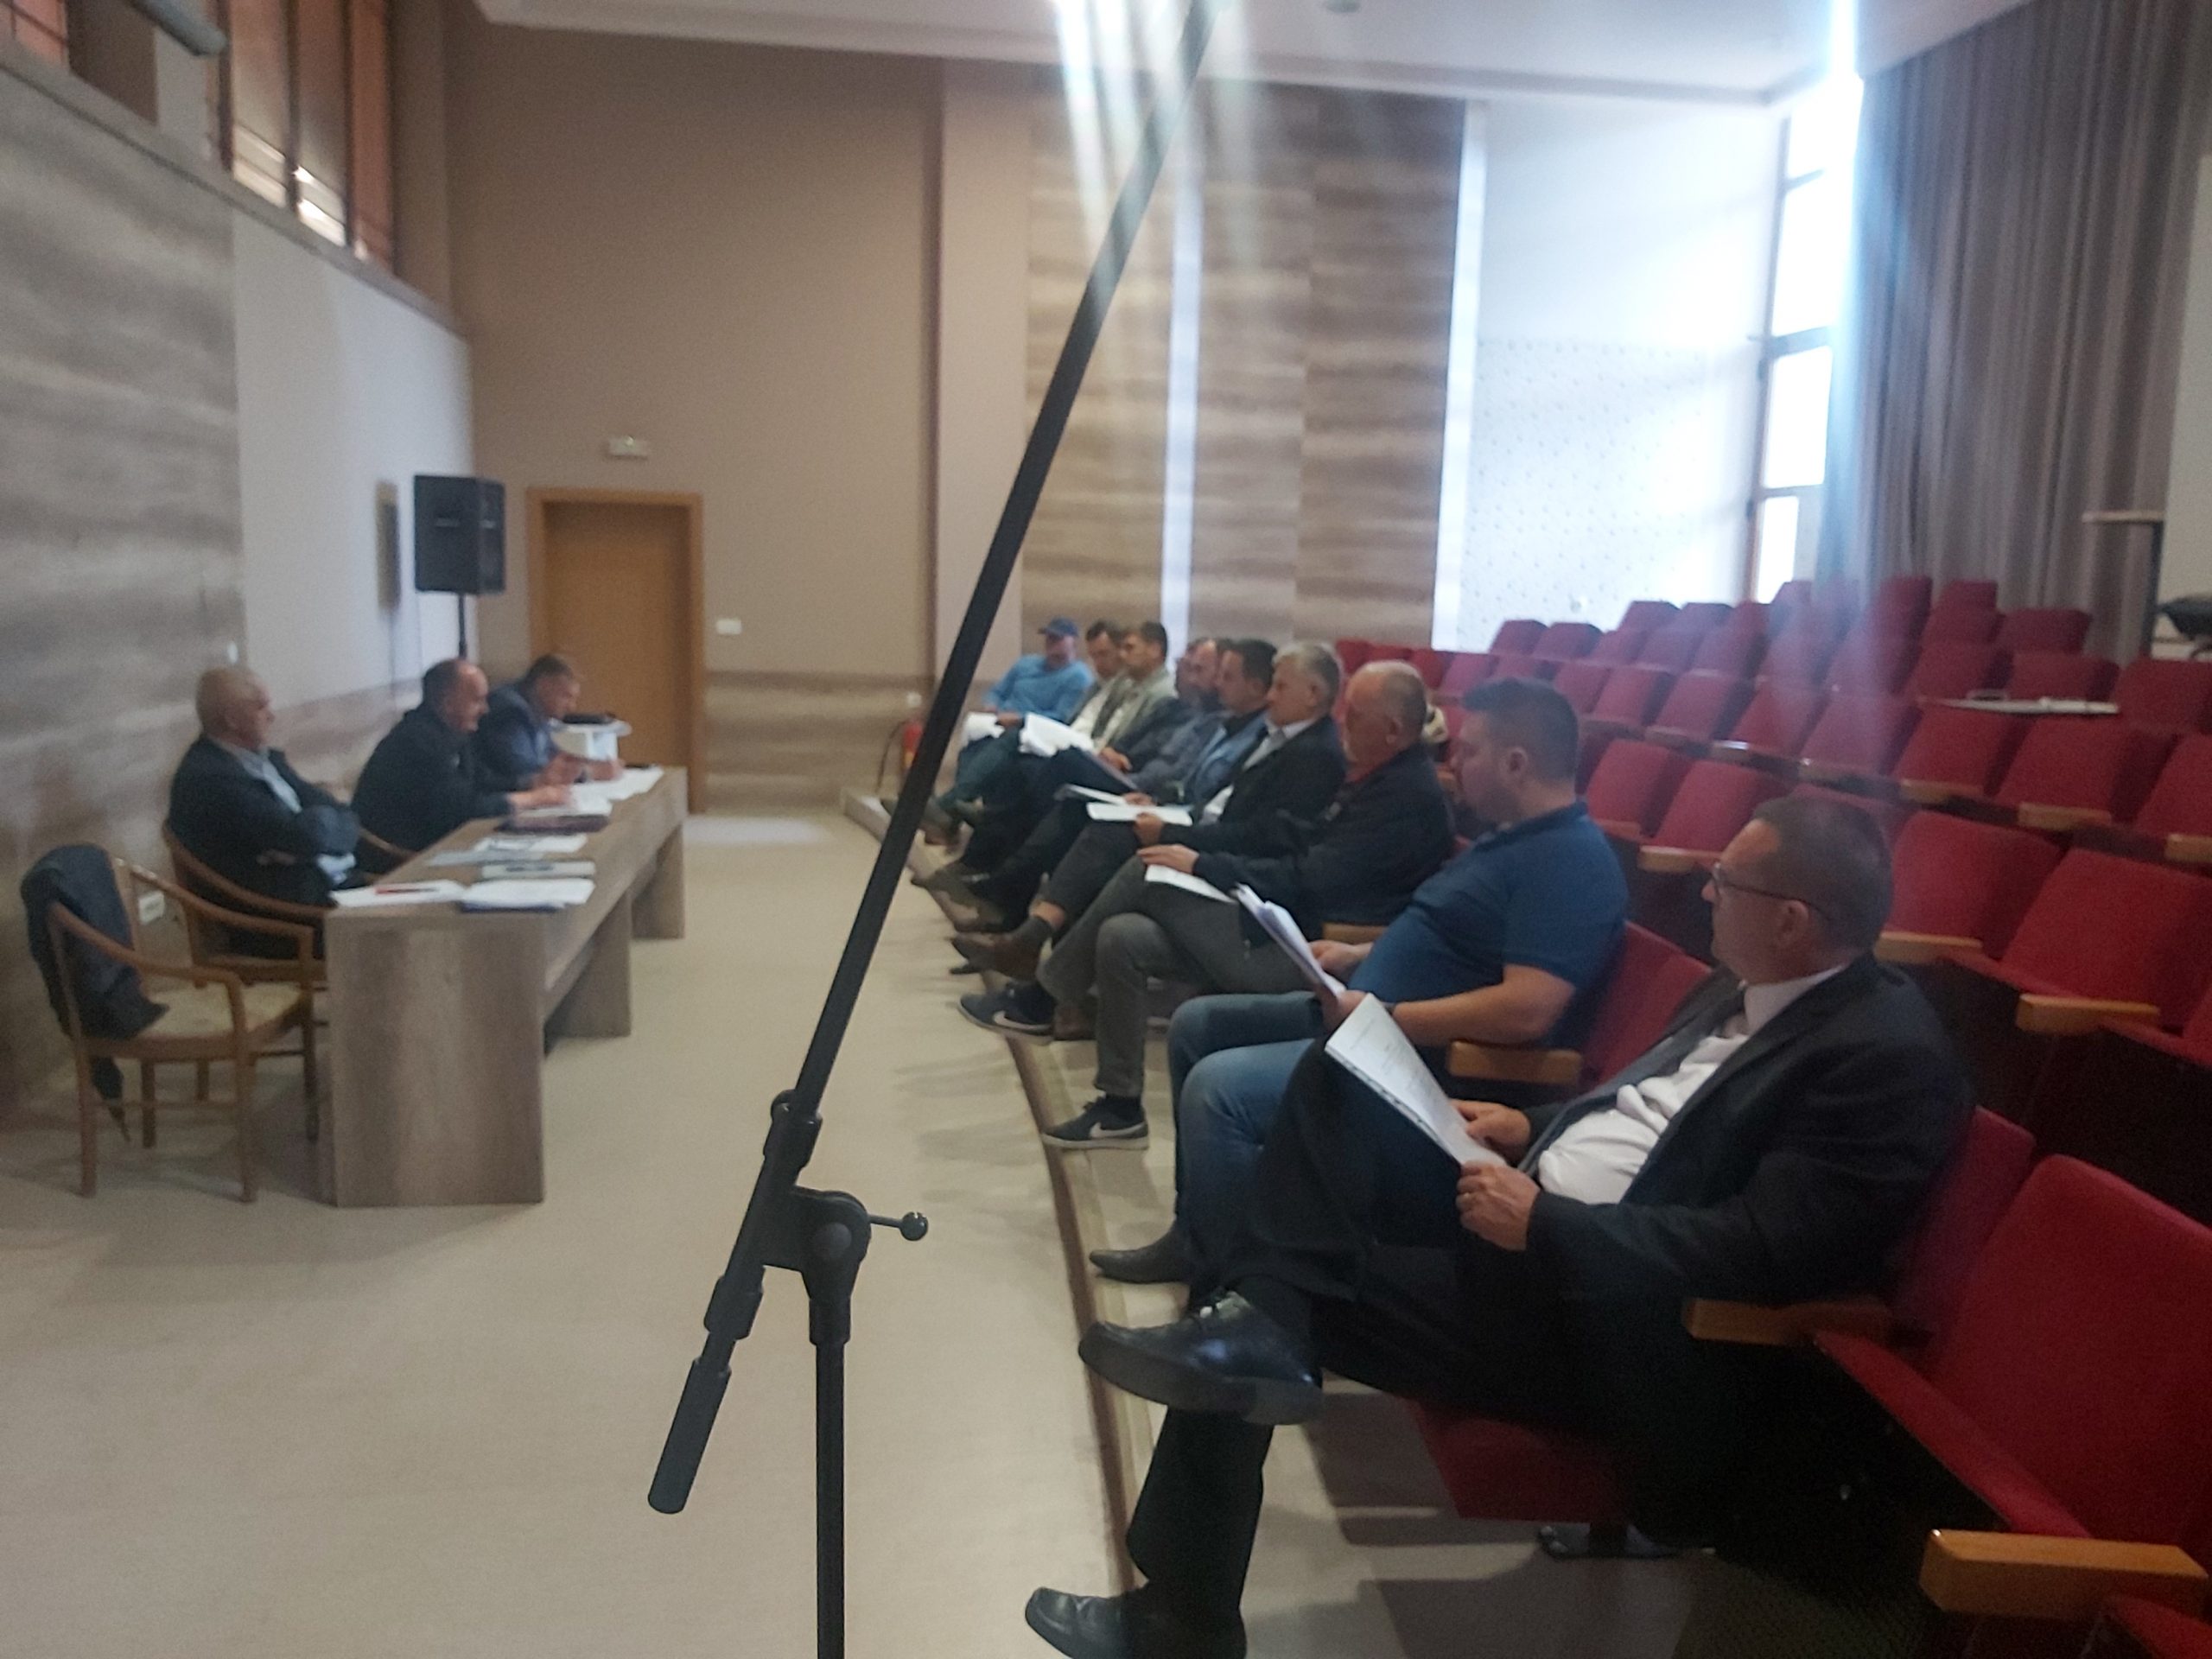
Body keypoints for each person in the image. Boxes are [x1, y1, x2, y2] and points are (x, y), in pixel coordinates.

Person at [1022, 796, 1971, 1659]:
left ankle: (1181, 1616)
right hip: (1523, 1203)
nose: (1707, 892)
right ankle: (1260, 1326)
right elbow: (1643, 1115)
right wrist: (1530, 1126)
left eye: (1728, 881)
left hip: (1606, 1315)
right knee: (1338, 1070)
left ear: (1791, 920)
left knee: (1252, 1289)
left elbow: (1762, 1251)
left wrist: (1547, 1226)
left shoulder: (1883, 1060)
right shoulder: (1740, 982)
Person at [1095, 677, 1629, 1283]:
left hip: (1418, 1064)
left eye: (1469, 749)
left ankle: (1239, 1287)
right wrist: (1359, 953)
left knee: (1221, 1089)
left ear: (1516, 763)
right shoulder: (1508, 839)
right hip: (1370, 1023)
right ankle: (1198, 1236)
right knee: (1198, 1024)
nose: (1453, 763)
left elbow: (1527, 1009)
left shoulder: (1569, 861)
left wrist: (1387, 1017)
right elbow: (1453, 936)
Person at [963, 662, 1455, 1151]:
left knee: (1145, 870)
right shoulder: (1377, 779)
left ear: (1393, 730)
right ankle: (1120, 1107)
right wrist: (1209, 862)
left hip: (1315, 952)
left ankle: (1040, 999)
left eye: (1357, 715)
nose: (1344, 722)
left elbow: (1312, 878)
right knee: (1123, 936)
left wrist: (1203, 865)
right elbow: (1299, 841)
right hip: (1283, 922)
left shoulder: (1406, 798)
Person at [952, 642, 1348, 986]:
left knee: (1112, 837)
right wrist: (1166, 810)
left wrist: (1177, 836)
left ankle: (1032, 949)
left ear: (1313, 694)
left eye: (1281, 687)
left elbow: (1262, 836)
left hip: (1231, 869)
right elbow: (1217, 803)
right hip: (1197, 826)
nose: (1272, 697)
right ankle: (1031, 941)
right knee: (1086, 812)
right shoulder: (1276, 736)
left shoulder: (1314, 756)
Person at [941, 642, 1276, 922]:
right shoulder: (1207, 718)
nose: (1215, 682)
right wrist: (1121, 759)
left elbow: (1187, 780)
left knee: (1067, 775)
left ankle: (995, 861)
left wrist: (1150, 791)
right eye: (1187, 666)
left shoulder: (1235, 728)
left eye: (1219, 675)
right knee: (1041, 775)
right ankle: (1005, 893)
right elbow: (1154, 755)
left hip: (1159, 797)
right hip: (1149, 790)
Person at [167, 666, 359, 909]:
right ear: (232, 720)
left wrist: (320, 824)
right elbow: (301, 837)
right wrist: (322, 825)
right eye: (261, 707)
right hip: (279, 913)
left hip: (325, 886)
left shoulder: (267, 760)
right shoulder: (209, 778)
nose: (272, 716)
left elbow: (347, 817)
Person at [352, 659, 572, 853]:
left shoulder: (454, 733)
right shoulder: (417, 742)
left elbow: (481, 781)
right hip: (401, 857)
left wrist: (533, 782)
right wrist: (532, 799)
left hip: (440, 844)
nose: (485, 710)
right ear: (448, 704)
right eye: (477, 701)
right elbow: (463, 810)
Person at [474, 654, 614, 794]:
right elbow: (526, 771)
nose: (571, 707)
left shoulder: (539, 710)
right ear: (544, 685)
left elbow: (551, 756)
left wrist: (585, 763)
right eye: (566, 696)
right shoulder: (510, 710)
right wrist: (587, 773)